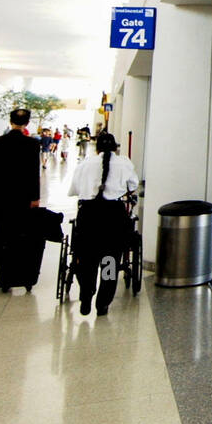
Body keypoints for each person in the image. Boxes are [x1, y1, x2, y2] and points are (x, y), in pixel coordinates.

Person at [69, 132, 138, 316]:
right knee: (110, 260)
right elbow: (133, 185)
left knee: (87, 259)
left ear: (97, 147)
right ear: (115, 147)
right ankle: (103, 302)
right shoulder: (124, 163)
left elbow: (75, 189)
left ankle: (86, 294)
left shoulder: (85, 164)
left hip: (89, 216)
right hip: (113, 217)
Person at [0, 108, 42, 292]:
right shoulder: (32, 145)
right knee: (21, 233)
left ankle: (1, 274)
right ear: (27, 123)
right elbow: (35, 174)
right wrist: (35, 197)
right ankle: (21, 274)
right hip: (23, 198)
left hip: (0, 197)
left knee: (1, 233)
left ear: (10, 121)